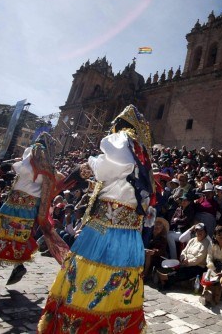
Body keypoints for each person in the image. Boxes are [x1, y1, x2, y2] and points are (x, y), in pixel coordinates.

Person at [38, 105, 154, 333]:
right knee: (118, 285)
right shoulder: (142, 155)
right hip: (129, 233)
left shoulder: (122, 139)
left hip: (105, 229)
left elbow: (109, 167)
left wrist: (90, 163)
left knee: (88, 280)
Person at [0, 133, 58, 295]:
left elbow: (22, 168)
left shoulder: (32, 152)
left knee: (1, 237)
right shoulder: (50, 166)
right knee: (19, 238)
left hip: (14, 203)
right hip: (30, 208)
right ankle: (17, 265)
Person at [200, 225, 222, 307]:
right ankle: (205, 296)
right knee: (208, 276)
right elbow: (209, 258)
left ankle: (215, 297)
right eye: (219, 234)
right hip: (214, 267)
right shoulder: (212, 244)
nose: (221, 236)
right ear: (215, 236)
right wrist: (213, 269)